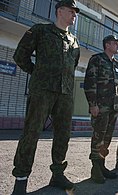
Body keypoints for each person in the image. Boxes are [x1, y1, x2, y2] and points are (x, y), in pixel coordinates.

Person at [11, 0, 80, 194]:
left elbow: (71, 66)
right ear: (60, 11)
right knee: (32, 132)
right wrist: (37, 73)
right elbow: (20, 56)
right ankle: (21, 179)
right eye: (71, 11)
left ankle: (57, 174)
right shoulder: (40, 31)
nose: (74, 15)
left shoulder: (74, 41)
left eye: (76, 12)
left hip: (65, 93)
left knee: (63, 135)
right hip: (42, 91)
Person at [84, 35, 118, 183]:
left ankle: (101, 165)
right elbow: (90, 81)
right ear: (107, 45)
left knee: (106, 139)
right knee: (98, 138)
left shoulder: (117, 65)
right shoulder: (97, 59)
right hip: (100, 106)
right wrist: (92, 104)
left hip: (113, 107)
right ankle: (95, 169)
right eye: (115, 43)